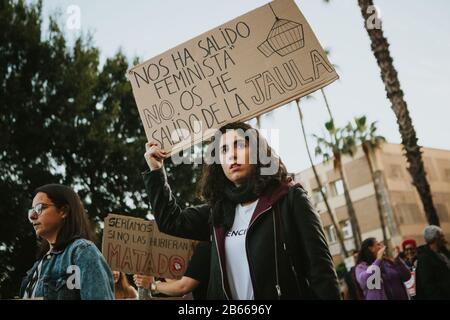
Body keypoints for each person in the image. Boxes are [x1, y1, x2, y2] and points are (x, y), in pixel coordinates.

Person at [142, 122, 340, 300]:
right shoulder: (217, 212)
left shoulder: (290, 199)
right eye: (224, 149)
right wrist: (156, 171)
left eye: (239, 145)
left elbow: (321, 271)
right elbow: (171, 222)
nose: (232, 154)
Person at [20, 184, 115, 300]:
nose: (33, 216)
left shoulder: (82, 252)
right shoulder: (36, 266)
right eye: (32, 211)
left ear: (63, 211)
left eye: (40, 208)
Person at [134, 242, 211, 300]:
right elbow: (178, 284)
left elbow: (182, 287)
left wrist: (152, 285)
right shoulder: (201, 248)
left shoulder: (204, 248)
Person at [415, 225, 450, 300]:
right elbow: (428, 285)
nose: (444, 239)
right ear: (435, 238)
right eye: (441, 236)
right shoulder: (424, 258)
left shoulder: (445, 253)